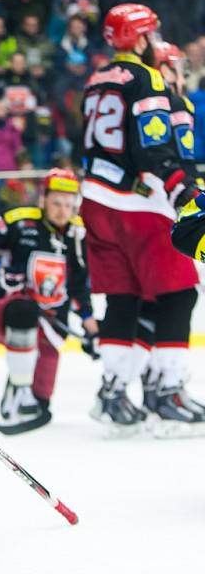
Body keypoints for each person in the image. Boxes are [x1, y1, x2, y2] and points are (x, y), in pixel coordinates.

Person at [79, 4, 200, 431]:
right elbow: (156, 149)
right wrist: (186, 192)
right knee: (179, 294)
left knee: (125, 299)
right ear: (143, 38)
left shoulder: (95, 78)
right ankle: (165, 390)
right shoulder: (149, 79)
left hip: (94, 200)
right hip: (137, 204)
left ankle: (113, 391)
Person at [0, 169, 97, 434]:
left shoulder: (78, 234)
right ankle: (21, 390)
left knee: (42, 403)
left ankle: (25, 390)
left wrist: (88, 321)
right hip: (8, 308)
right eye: (57, 203)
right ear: (43, 199)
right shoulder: (16, 219)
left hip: (52, 318)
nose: (63, 210)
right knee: (24, 311)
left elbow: (79, 284)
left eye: (69, 204)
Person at [135, 41, 205, 432]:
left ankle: (155, 385)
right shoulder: (168, 103)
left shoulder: (145, 99)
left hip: (150, 206)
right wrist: (193, 196)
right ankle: (167, 389)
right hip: (164, 208)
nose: (181, 70)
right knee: (179, 295)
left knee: (157, 299)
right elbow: (173, 162)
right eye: (174, 65)